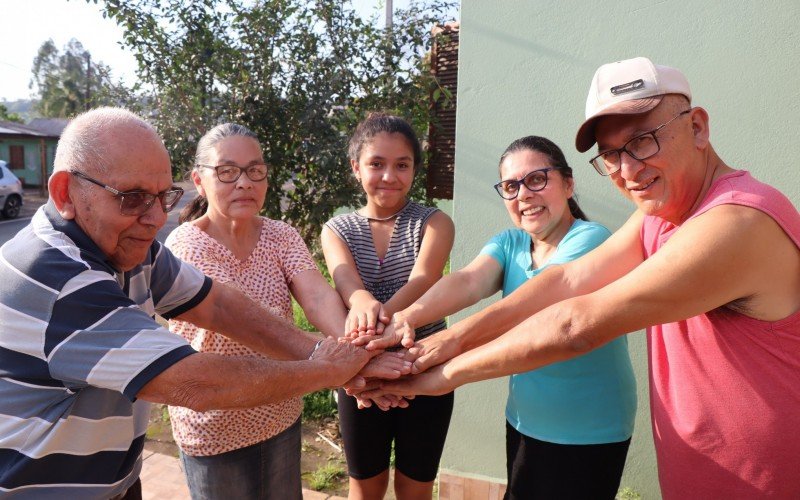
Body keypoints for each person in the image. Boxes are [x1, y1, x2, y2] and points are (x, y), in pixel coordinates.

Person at [379, 57, 800, 498]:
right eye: (612, 154)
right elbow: (564, 282)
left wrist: (439, 373)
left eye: (643, 140)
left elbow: (574, 324)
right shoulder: (661, 216)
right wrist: (433, 339)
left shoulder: (738, 220)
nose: (628, 169)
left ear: (697, 127)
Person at [0, 107, 372, 500]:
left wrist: (324, 356)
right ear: (65, 193)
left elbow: (218, 306)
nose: (156, 217)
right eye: (133, 198)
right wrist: (328, 369)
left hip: (111, 480)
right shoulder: (58, 277)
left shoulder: (128, 247)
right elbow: (195, 383)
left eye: (163, 197)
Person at [363, 135, 636, 499]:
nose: (523, 194)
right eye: (511, 186)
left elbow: (531, 303)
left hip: (587, 429)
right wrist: (406, 318)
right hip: (526, 419)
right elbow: (468, 280)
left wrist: (445, 344)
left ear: (568, 183)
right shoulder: (511, 242)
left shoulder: (591, 239)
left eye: (537, 179)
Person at [165, 122, 411, 499]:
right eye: (227, 171)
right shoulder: (186, 245)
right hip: (215, 423)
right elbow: (250, 328)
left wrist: (355, 353)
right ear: (199, 181)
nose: (244, 182)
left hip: (280, 412)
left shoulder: (280, 235)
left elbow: (317, 298)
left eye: (255, 170)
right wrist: (353, 365)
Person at [321, 112, 455, 499]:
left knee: (416, 487)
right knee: (365, 486)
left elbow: (424, 278)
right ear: (356, 167)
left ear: (415, 168)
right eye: (376, 164)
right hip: (361, 373)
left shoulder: (434, 223)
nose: (389, 176)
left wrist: (382, 321)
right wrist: (361, 298)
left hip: (425, 369)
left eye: (402, 165)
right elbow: (344, 277)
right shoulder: (337, 228)